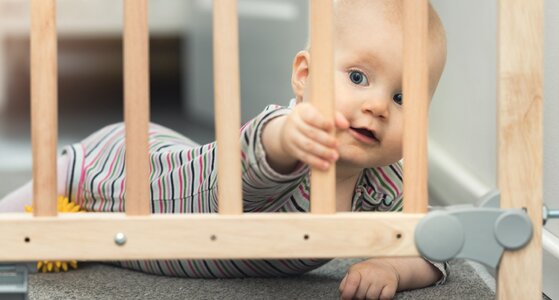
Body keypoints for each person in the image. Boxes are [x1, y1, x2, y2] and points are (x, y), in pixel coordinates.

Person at [0, 0, 448, 298]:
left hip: (154, 214)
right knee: (40, 198)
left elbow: (432, 246)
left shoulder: (387, 184)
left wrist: (391, 269)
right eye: (357, 77)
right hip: (127, 162)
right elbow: (254, 160)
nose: (377, 107)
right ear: (303, 75)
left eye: (403, 98)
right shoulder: (282, 131)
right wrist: (290, 138)